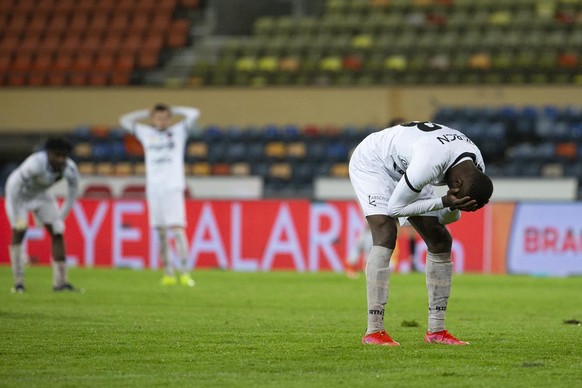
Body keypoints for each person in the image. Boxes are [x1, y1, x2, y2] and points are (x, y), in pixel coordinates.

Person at [349, 120, 493, 346]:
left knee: (440, 239)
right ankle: (374, 331)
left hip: (409, 165)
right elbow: (395, 209)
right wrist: (445, 200)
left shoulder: (476, 166)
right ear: (456, 183)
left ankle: (437, 331)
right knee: (386, 231)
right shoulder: (430, 164)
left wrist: (453, 206)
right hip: (374, 161)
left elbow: (448, 217)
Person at [119, 104, 200, 287]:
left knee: (178, 231)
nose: (161, 121)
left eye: (165, 117)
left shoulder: (179, 131)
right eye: (158, 117)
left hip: (173, 187)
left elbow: (194, 112)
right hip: (154, 190)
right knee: (161, 234)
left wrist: (173, 109)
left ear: (169, 119)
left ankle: (186, 273)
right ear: (153, 118)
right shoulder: (146, 132)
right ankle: (168, 273)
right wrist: (146, 112)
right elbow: (124, 120)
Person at [5, 137, 79, 292]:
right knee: (20, 230)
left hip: (41, 195)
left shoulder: (70, 169)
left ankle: (61, 282)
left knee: (58, 231)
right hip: (20, 196)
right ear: (48, 154)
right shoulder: (35, 164)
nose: (60, 160)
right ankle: (18, 282)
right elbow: (14, 189)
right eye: (57, 155)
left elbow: (72, 195)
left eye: (64, 156)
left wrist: (61, 217)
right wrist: (16, 216)